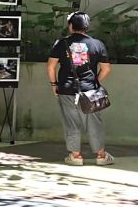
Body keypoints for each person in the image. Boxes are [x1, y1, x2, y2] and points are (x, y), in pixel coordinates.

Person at [47, 11, 113, 166]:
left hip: (67, 89)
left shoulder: (61, 43)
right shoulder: (97, 44)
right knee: (94, 123)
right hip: (91, 91)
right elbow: (106, 69)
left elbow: (51, 67)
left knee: (71, 122)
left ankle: (76, 156)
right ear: (86, 26)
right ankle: (101, 155)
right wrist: (94, 81)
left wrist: (54, 84)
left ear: (70, 26)